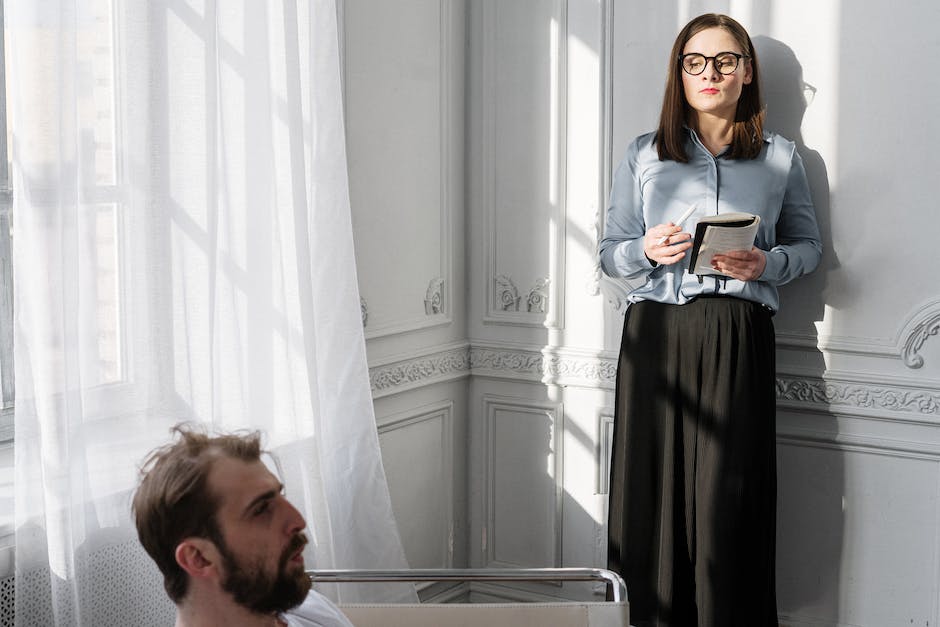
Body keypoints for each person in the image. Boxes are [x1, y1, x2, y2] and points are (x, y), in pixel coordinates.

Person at [599, 13, 821, 627]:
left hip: (737, 333)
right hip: (655, 333)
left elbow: (810, 247)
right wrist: (645, 250)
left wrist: (766, 263)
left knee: (729, 493)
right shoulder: (644, 153)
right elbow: (609, 251)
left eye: (725, 61)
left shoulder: (781, 158)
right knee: (653, 489)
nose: (710, 74)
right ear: (679, 72)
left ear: (746, 73)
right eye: (694, 62)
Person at [132, 424, 355, 627]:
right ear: (198, 558)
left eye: (281, 496)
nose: (298, 521)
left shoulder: (312, 611)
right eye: (261, 510)